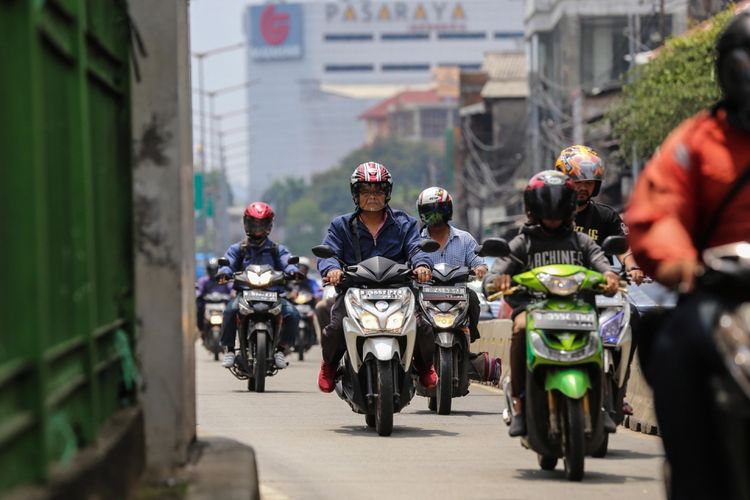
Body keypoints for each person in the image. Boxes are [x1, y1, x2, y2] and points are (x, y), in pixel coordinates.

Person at [624, 12, 750, 499]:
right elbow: (659, 211)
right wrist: (680, 262)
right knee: (675, 344)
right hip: (721, 291)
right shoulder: (697, 141)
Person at [483, 170, 619, 437]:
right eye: (546, 203)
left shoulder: (581, 241)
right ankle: (520, 405)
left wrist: (611, 276)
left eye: (559, 203)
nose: (553, 211)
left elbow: (601, 260)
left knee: (600, 336)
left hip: (578, 309)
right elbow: (497, 269)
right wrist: (496, 280)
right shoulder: (524, 241)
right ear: (533, 207)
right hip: (533, 308)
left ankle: (602, 405)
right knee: (520, 329)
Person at [316, 161, 437, 393]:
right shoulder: (340, 226)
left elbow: (416, 248)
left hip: (399, 290)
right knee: (334, 328)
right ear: (355, 194)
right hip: (354, 290)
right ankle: (329, 366)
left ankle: (425, 367)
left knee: (423, 327)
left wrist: (422, 265)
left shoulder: (405, 223)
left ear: (387, 193)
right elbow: (328, 253)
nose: (372, 196)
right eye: (365, 191)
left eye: (378, 190)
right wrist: (332, 270)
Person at [555, 144, 644, 415]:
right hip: (561, 293)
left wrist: (634, 267)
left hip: (602, 291)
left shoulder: (605, 216)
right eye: (577, 181)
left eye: (589, 183)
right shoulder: (552, 214)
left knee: (634, 317)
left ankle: (620, 386)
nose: (583, 188)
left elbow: (624, 247)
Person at [416, 186, 501, 384]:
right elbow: (408, 260)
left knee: (473, 299)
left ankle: (468, 335)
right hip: (425, 294)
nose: (435, 215)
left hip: (457, 295)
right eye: (430, 210)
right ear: (422, 214)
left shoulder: (464, 239)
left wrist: (480, 269)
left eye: (440, 209)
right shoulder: (416, 241)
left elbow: (477, 260)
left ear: (449, 211)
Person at [217, 202, 301, 370]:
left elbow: (287, 262)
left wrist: (292, 270)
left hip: (274, 295)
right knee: (229, 311)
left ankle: (281, 350)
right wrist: (224, 271)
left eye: (261, 224)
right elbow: (228, 261)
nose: (257, 228)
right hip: (245, 295)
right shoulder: (238, 249)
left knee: (293, 314)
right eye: (254, 223)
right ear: (246, 224)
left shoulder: (277, 250)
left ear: (269, 225)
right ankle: (229, 350)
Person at [195, 258, 232, 331]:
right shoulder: (203, 281)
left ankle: (231, 331)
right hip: (208, 304)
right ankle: (201, 329)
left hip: (222, 304)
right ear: (208, 270)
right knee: (199, 308)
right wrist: (198, 294)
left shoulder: (223, 280)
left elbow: (231, 287)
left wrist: (233, 292)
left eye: (215, 270)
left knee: (232, 311)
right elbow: (199, 289)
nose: (213, 272)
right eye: (211, 270)